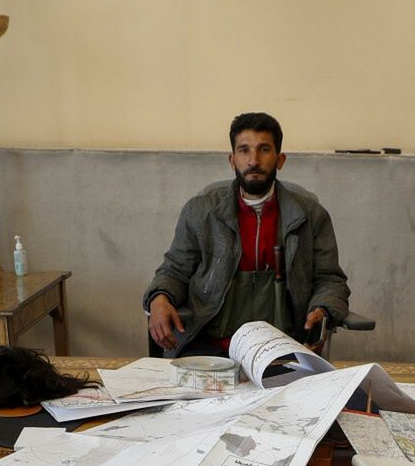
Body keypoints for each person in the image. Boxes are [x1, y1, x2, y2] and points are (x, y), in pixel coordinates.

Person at [144, 112, 350, 357]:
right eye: (244, 150)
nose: (253, 160)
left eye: (264, 150)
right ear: (232, 160)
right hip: (209, 348)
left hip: (282, 349)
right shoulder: (200, 211)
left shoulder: (311, 216)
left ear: (280, 159)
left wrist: (323, 310)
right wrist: (159, 298)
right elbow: (174, 270)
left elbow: (331, 280)